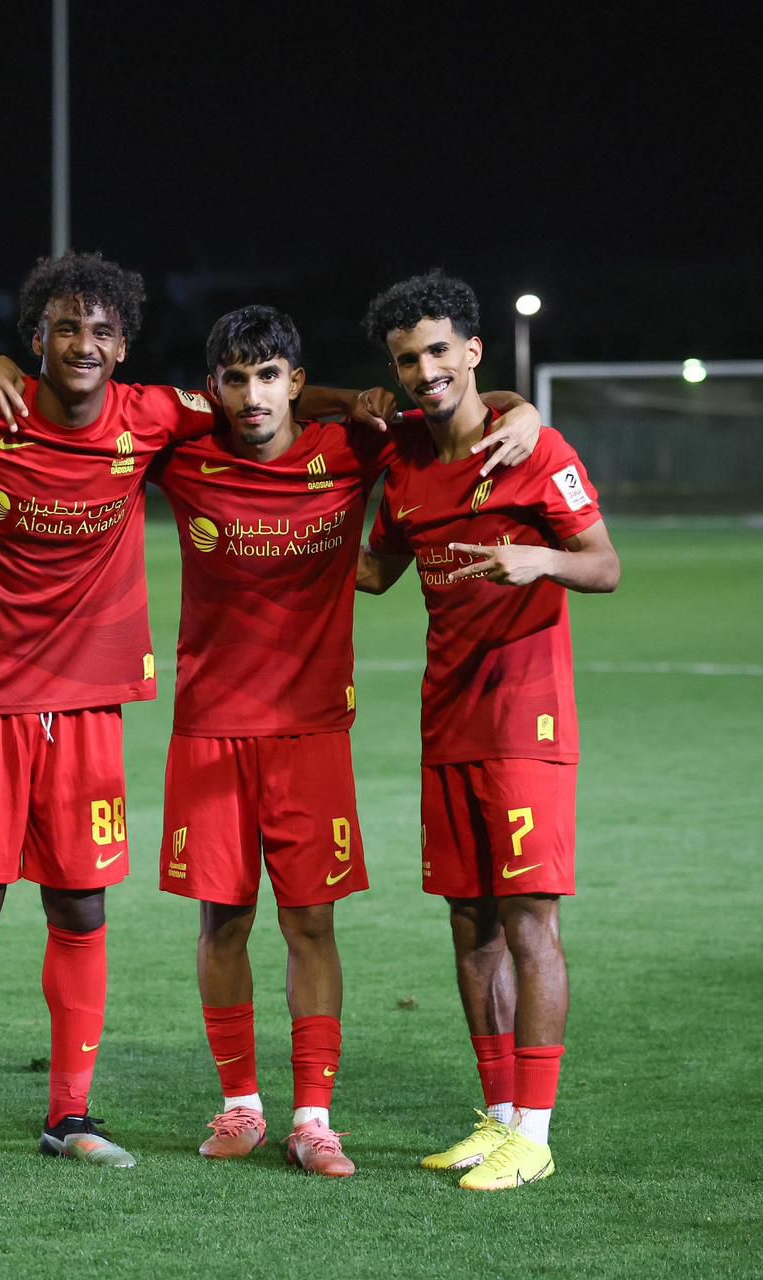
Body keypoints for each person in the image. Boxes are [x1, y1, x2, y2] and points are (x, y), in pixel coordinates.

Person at [0, 251, 388, 1172]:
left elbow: (256, 401)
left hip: (92, 703)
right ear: (38, 338)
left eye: (101, 330)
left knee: (81, 903)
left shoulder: (155, 416)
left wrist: (352, 401)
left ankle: (71, 1114)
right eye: (66, 327)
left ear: (123, 344)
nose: (84, 344)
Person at [150, 306, 540, 1176]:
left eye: (270, 376)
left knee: (310, 924)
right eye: (236, 379)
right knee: (223, 921)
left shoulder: (354, 449)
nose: (253, 396)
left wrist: (527, 411)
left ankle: (313, 1119)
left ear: (295, 381)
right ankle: (241, 1107)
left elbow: (455, 407)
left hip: (314, 729)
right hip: (210, 727)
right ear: (215, 389)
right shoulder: (184, 456)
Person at [356, 269, 620, 1191]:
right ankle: (499, 1117)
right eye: (407, 359)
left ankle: (535, 1136)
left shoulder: (533, 450)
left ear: (471, 350)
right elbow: (375, 572)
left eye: (439, 351)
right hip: (448, 716)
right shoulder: (404, 460)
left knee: (528, 920)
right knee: (469, 922)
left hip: (525, 717)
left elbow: (605, 565)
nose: (425, 370)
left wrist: (538, 558)